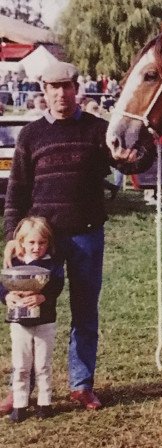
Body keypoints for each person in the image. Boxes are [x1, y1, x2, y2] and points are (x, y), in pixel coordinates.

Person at [0, 61, 153, 415]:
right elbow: (17, 191)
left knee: (85, 313)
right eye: (53, 87)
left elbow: (135, 161)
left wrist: (135, 155)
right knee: (29, 312)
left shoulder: (99, 130)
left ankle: (81, 386)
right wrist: (12, 236)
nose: (60, 94)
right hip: (41, 243)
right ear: (44, 92)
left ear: (75, 89)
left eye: (66, 86)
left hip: (87, 236)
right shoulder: (30, 135)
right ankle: (22, 390)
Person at [0, 217, 64, 422]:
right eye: (31, 242)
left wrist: (42, 297)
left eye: (42, 243)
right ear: (21, 242)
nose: (37, 248)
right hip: (20, 324)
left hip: (45, 322)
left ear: (48, 243)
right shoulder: (14, 262)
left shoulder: (52, 264)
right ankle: (19, 404)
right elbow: (2, 284)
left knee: (42, 364)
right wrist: (7, 296)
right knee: (20, 365)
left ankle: (45, 403)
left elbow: (57, 286)